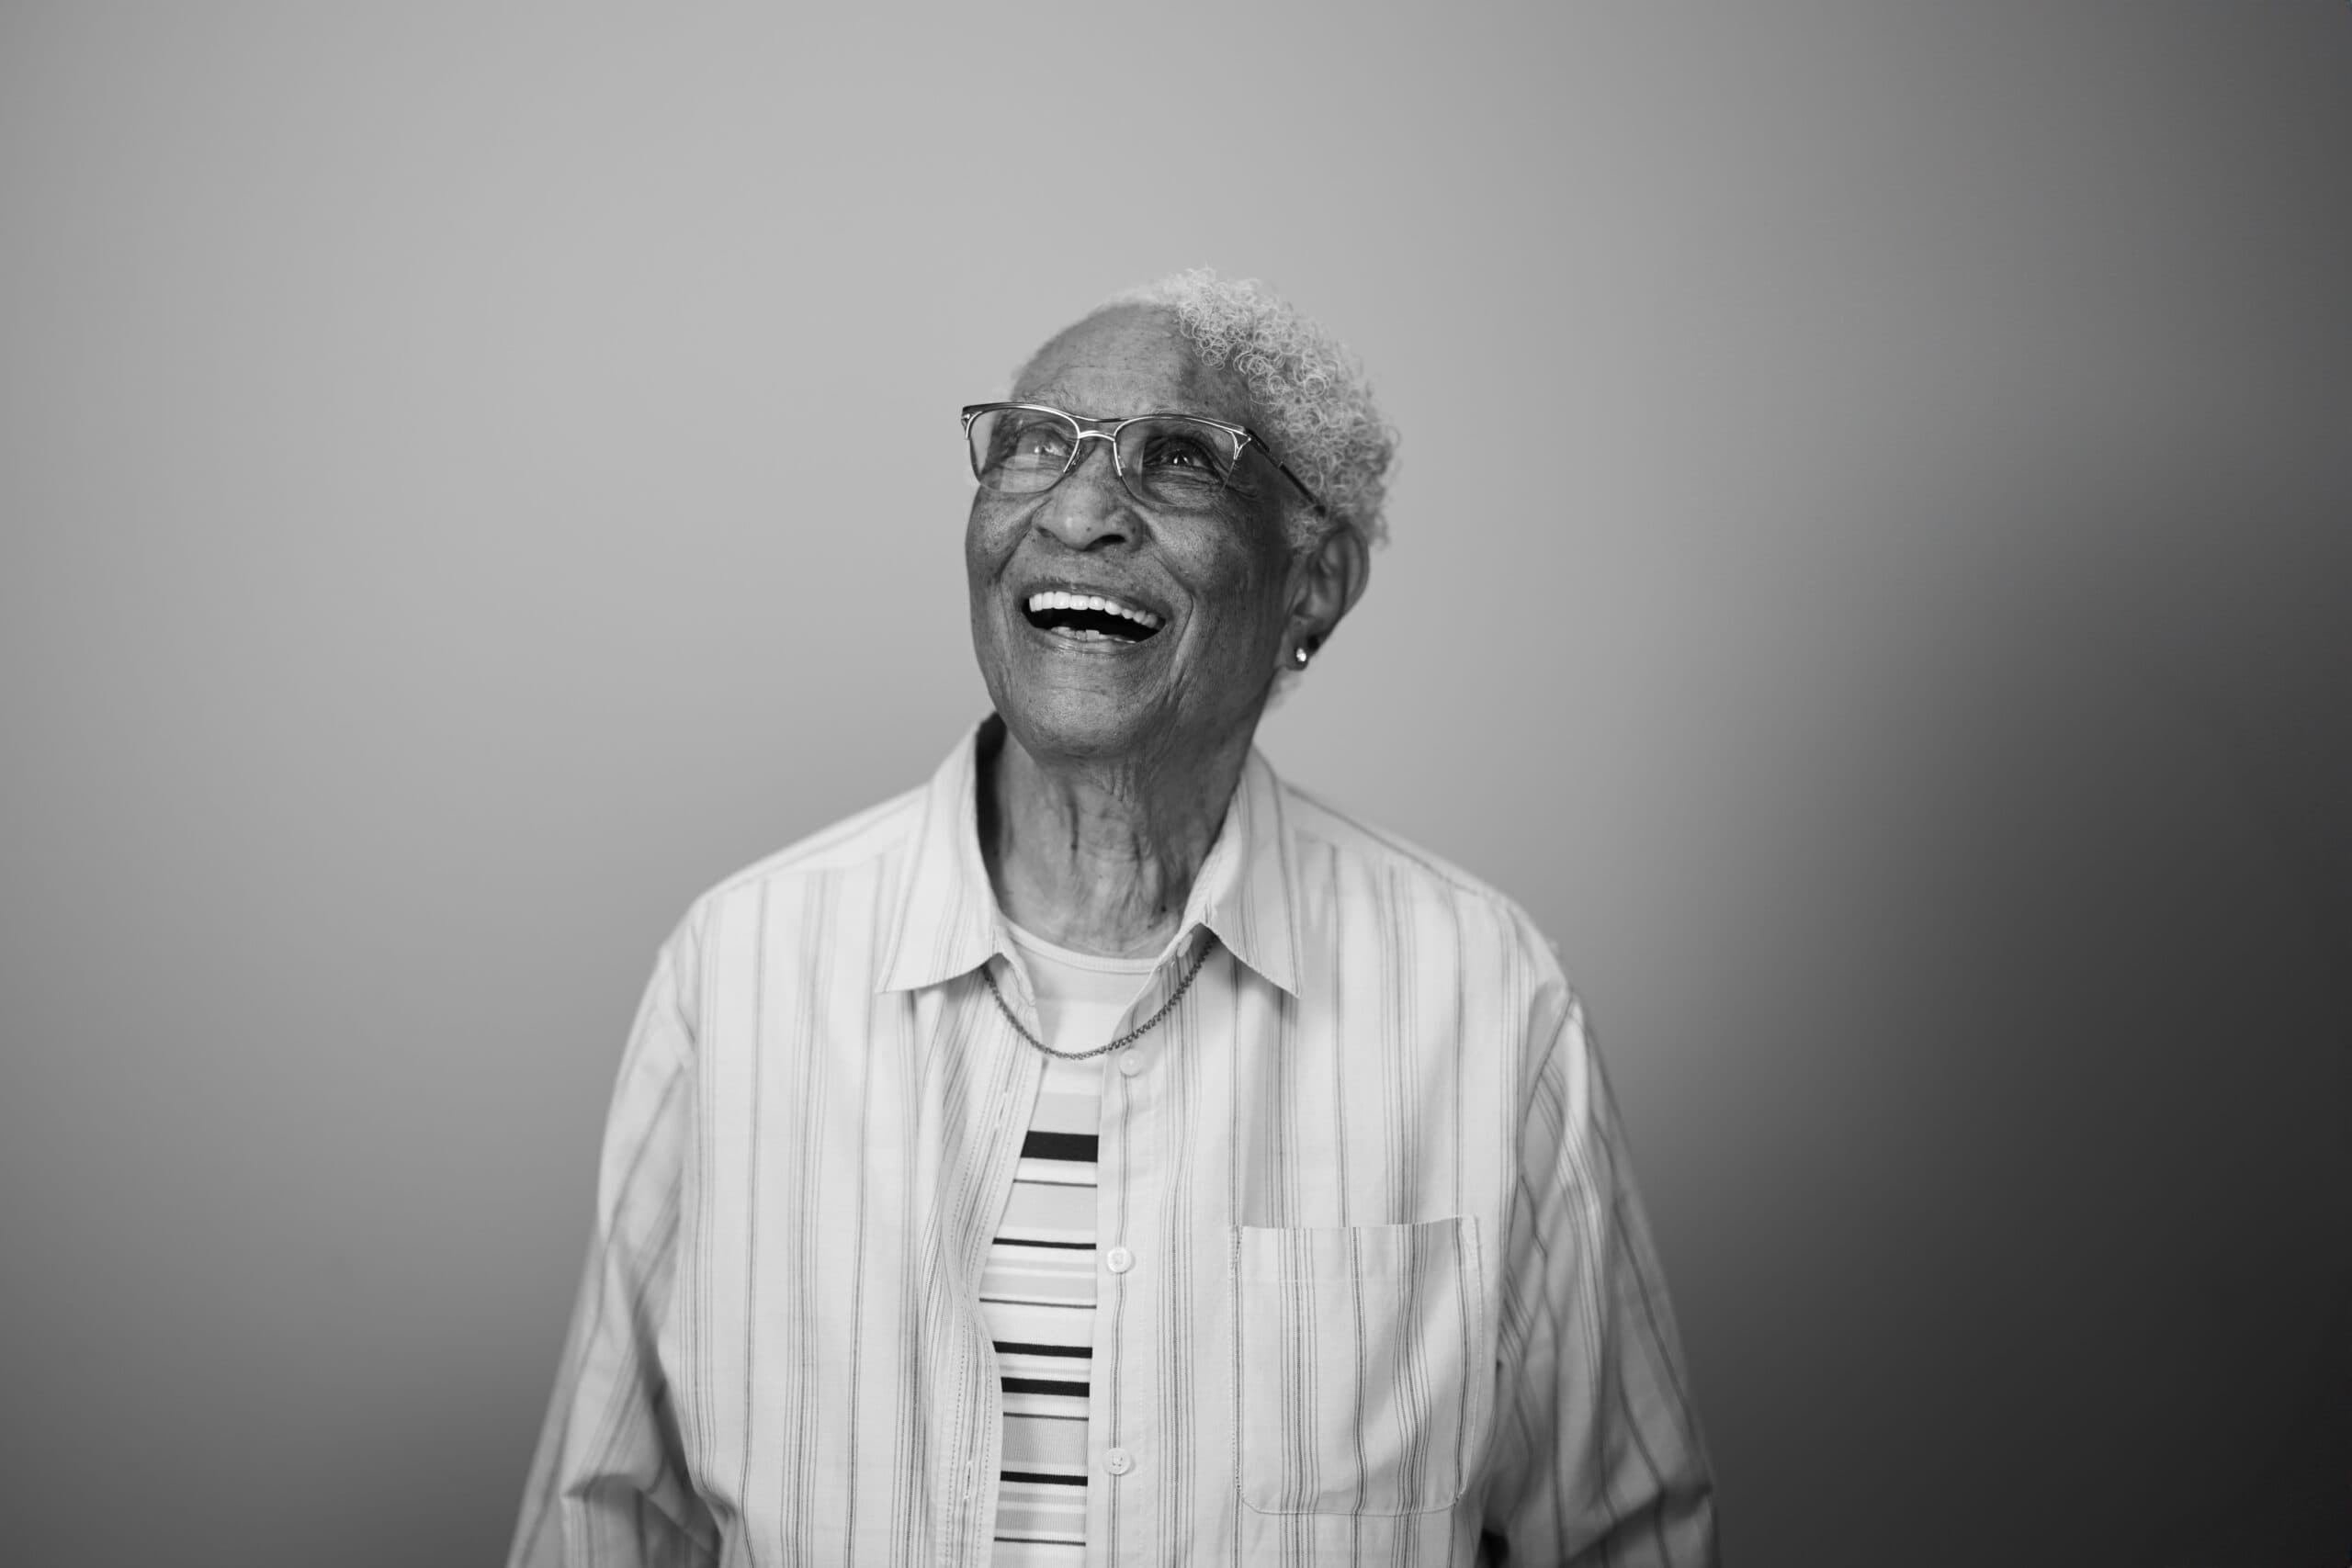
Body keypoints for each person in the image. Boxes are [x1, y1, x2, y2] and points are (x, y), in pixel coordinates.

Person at [508, 268, 1717, 1567]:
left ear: (1314, 584)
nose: (1080, 510)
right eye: (1034, 445)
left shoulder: (1482, 1000)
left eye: (1181, 460)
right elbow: (607, 1526)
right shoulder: (740, 972)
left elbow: (1619, 1540)